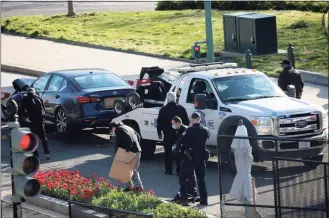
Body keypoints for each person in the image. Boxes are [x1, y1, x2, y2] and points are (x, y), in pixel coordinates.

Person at [178, 112, 210, 206]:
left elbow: (181, 141)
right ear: (199, 119)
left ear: (192, 119)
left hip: (190, 157)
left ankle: (186, 197)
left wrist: (178, 150)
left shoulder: (189, 130)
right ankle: (204, 200)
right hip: (201, 157)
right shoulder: (205, 130)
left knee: (183, 176)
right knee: (201, 179)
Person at [157, 92, 189, 175]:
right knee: (179, 152)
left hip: (167, 134)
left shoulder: (163, 109)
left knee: (168, 153)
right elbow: (186, 122)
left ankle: (168, 170)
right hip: (179, 135)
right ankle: (179, 171)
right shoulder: (181, 109)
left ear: (167, 99)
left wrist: (159, 132)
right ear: (175, 98)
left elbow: (159, 122)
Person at [109, 121, 143, 192]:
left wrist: (128, 148)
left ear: (114, 127)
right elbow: (138, 137)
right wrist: (136, 146)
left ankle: (138, 186)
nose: (112, 131)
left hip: (131, 152)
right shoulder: (127, 127)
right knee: (127, 169)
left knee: (132, 169)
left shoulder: (119, 129)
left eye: (111, 129)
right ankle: (130, 187)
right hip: (137, 150)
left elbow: (128, 140)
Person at [20, 88, 51, 161]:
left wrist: (26, 117)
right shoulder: (39, 98)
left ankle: (36, 155)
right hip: (40, 120)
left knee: (33, 138)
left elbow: (21, 110)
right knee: (43, 138)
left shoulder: (25, 99)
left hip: (32, 120)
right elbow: (43, 110)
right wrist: (43, 119)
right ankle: (47, 153)